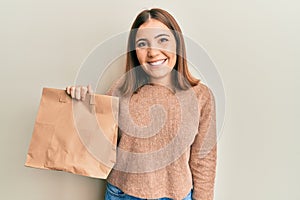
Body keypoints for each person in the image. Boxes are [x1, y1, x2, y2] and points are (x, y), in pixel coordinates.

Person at [66, 8, 217, 200]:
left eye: (162, 40)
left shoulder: (201, 97)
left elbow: (204, 161)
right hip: (122, 194)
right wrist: (82, 107)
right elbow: (97, 147)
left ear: (177, 44)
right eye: (142, 43)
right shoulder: (121, 89)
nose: (153, 52)